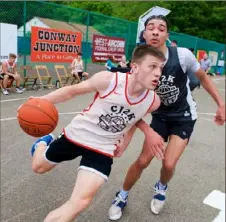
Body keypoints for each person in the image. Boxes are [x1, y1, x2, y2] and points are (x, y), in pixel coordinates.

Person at [28, 44, 166, 222]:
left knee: (80, 202)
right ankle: (42, 143)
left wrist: (125, 143)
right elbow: (72, 91)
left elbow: (133, 119)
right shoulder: (109, 80)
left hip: (103, 147)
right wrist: (39, 101)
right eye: (152, 66)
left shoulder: (153, 101)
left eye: (161, 68)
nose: (158, 73)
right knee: (38, 167)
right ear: (135, 67)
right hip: (77, 134)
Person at [108, 15, 225, 221]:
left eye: (161, 28)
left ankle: (161, 187)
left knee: (169, 164)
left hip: (184, 116)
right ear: (143, 34)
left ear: (167, 35)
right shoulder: (139, 64)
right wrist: (125, 141)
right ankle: (122, 195)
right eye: (150, 28)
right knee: (143, 161)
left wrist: (221, 104)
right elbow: (135, 106)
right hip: (159, 117)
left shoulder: (182, 55)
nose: (155, 31)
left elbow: (204, 78)